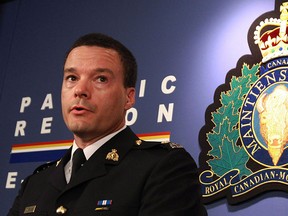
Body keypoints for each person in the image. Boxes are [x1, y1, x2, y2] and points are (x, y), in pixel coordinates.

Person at [8, 33, 207, 215]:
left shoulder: (163, 167)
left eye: (100, 79)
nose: (80, 90)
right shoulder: (35, 184)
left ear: (128, 98)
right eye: (72, 78)